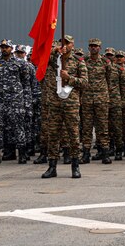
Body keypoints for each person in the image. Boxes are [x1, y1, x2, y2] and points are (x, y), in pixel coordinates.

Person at [40, 35, 88, 179]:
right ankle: (52, 166)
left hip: (71, 102)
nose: (65, 46)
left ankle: (75, 166)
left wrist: (69, 78)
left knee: (73, 134)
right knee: (53, 134)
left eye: (67, 43)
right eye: (63, 43)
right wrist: (54, 50)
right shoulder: (55, 59)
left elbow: (85, 83)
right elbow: (41, 58)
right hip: (55, 102)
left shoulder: (79, 62)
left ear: (72, 45)